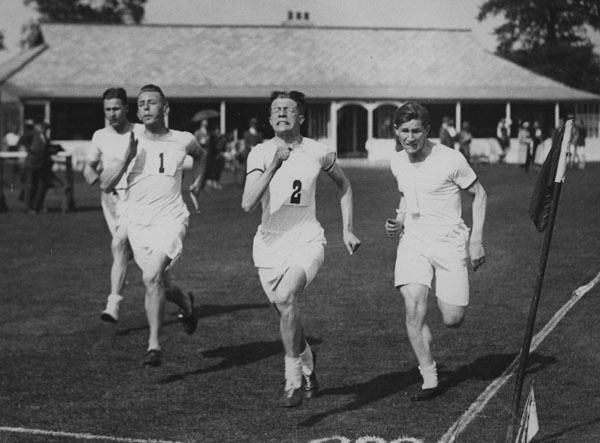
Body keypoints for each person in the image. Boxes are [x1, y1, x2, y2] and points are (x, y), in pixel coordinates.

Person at [242, 90, 361, 407]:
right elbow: (247, 203)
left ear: (301, 117)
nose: (281, 113)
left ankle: (292, 377)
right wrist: (274, 166)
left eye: (288, 109)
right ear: (269, 119)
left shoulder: (318, 151)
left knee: (286, 297)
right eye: (275, 109)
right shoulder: (259, 153)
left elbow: (344, 185)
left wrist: (347, 229)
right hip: (269, 243)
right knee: (284, 312)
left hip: (307, 238)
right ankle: (308, 358)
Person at [384, 102, 487, 400]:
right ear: (396, 132)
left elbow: (479, 195)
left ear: (428, 130)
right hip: (413, 241)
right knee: (413, 307)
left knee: (453, 318)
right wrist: (399, 221)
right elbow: (406, 195)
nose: (410, 137)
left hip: (449, 242)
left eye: (416, 130)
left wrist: (476, 239)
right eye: (404, 131)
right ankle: (428, 373)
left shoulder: (450, 159)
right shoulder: (397, 162)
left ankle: (432, 359)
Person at [102, 84, 206, 367]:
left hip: (171, 219)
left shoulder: (183, 139)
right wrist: (126, 158)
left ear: (166, 108)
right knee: (162, 282)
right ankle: (185, 302)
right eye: (142, 104)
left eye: (152, 103)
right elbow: (105, 183)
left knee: (150, 277)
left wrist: (197, 179)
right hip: (138, 223)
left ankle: (154, 344)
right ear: (137, 112)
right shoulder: (129, 140)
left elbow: (201, 154)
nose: (146, 107)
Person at [83, 87, 144, 323]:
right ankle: (182, 300)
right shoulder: (100, 135)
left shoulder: (140, 131)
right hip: (111, 201)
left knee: (120, 245)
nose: (112, 113)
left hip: (137, 199)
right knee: (122, 248)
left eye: (117, 108)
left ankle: (113, 303)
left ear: (127, 109)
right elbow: (90, 165)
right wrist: (92, 175)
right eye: (108, 109)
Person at [22, 120, 52, 213]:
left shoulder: (45, 137)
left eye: (46, 128)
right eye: (44, 127)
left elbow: (46, 148)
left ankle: (37, 206)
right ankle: (28, 207)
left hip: (42, 164)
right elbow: (22, 139)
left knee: (41, 186)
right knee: (30, 185)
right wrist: (29, 148)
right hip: (32, 163)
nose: (44, 129)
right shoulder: (34, 134)